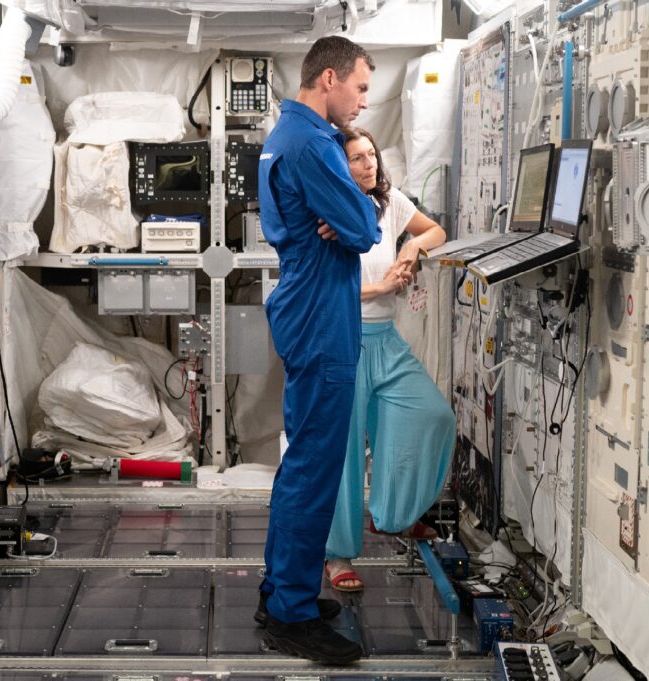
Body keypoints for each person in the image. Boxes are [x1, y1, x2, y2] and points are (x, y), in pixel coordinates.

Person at [255, 36, 382, 666]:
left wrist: (353, 216)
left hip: (306, 301)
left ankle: (281, 589)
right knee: (314, 465)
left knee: (302, 459)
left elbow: (357, 221)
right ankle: (292, 615)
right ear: (328, 78)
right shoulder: (312, 143)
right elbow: (363, 229)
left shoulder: (286, 135)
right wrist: (355, 217)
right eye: (359, 88)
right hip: (322, 311)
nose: (363, 102)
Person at [321, 128, 456, 593]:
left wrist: (412, 246)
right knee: (344, 452)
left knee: (432, 414)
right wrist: (380, 287)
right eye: (356, 159)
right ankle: (337, 555)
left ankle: (391, 514)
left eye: (371, 155)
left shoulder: (388, 203)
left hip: (386, 340)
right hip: (345, 340)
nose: (369, 164)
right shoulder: (326, 216)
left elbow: (435, 229)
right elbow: (321, 291)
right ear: (339, 166)